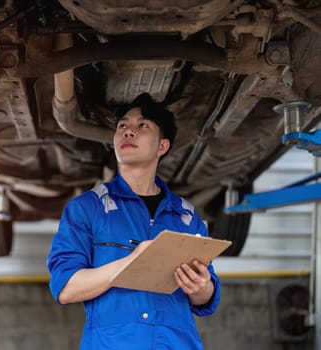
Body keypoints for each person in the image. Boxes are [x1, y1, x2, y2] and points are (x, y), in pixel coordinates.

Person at [46, 93, 220, 349]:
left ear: (162, 146)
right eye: (123, 126)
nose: (129, 132)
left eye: (143, 126)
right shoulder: (87, 208)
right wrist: (131, 262)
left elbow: (205, 299)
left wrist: (200, 286)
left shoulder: (186, 216)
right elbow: (66, 288)